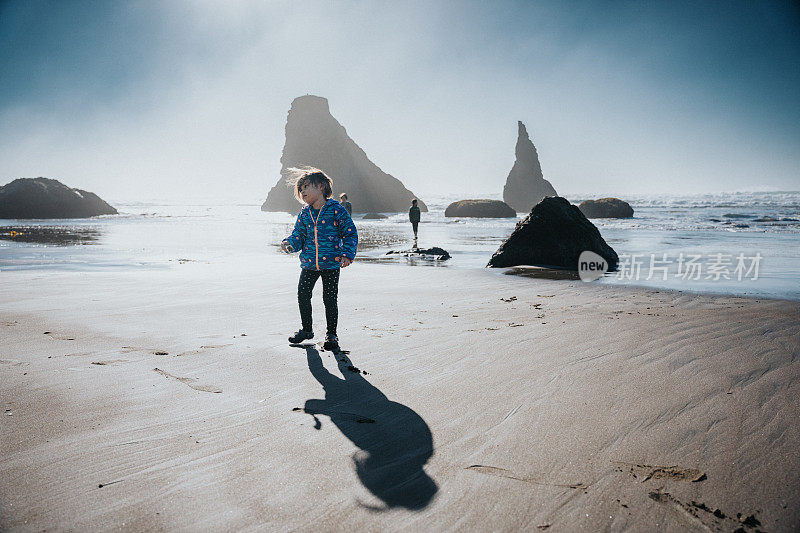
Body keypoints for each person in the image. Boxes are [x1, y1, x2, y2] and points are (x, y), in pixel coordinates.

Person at [281, 168, 358, 351]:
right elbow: (298, 235)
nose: (303, 192)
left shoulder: (336, 210)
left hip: (331, 264)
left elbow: (349, 232)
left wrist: (347, 254)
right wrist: (290, 244)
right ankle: (307, 330)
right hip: (309, 264)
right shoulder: (304, 213)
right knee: (303, 294)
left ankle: (332, 334)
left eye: (306, 187)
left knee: (330, 298)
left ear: (321, 186)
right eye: (301, 189)